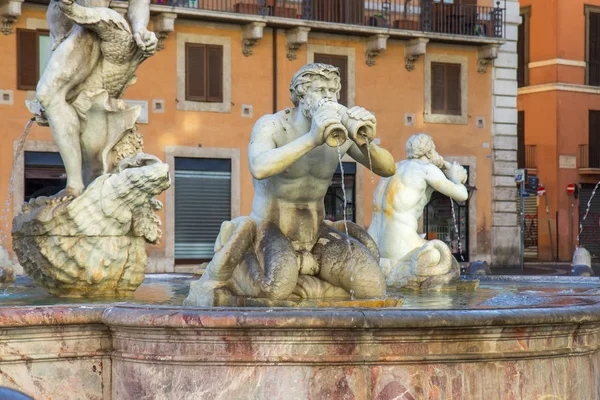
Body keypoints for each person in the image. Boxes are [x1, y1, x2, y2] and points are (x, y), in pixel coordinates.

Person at [185, 63, 396, 305]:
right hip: (269, 228)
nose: (328, 98)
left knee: (372, 286)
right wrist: (311, 139)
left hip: (316, 235)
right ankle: (240, 266)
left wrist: (366, 140)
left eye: (332, 91)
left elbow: (387, 168)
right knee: (276, 289)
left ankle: (306, 284)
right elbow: (259, 167)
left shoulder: (341, 133)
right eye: (320, 91)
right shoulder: (273, 125)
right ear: (301, 95)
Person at [36, 0, 157, 197]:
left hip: (86, 29)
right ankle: (82, 182)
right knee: (62, 103)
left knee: (48, 94)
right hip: (60, 35)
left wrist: (141, 28)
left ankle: (75, 186)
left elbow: (139, 3)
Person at [368, 133, 468, 288]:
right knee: (444, 258)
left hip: (374, 251)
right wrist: (455, 177)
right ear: (429, 153)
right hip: (400, 250)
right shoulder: (425, 169)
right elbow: (462, 195)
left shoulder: (393, 168)